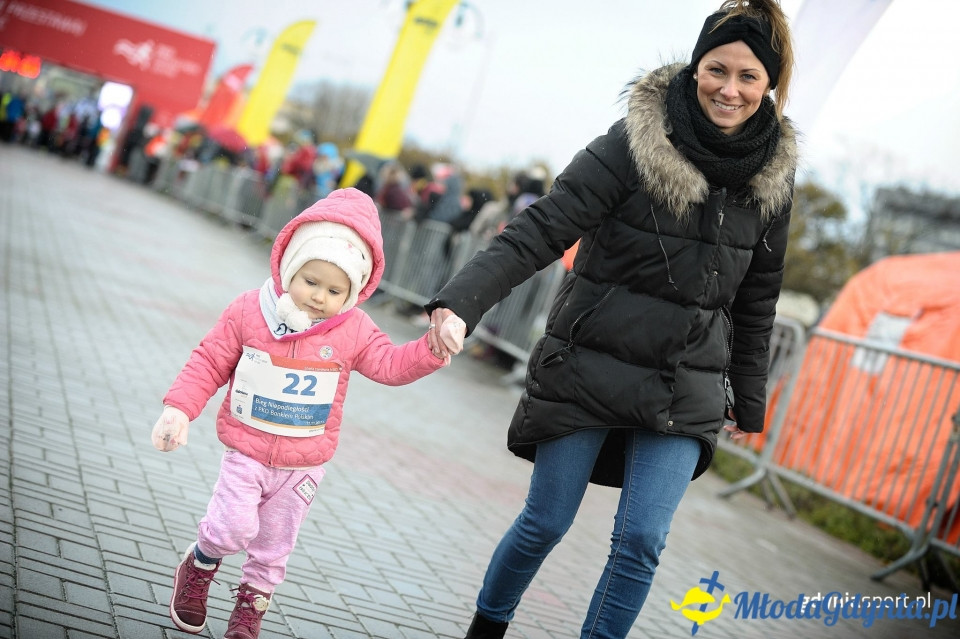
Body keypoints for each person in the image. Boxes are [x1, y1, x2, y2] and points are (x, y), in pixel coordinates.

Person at [425, 1, 798, 637]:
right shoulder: (630, 145)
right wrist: (460, 301)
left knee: (643, 540)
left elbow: (758, 297)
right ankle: (488, 624)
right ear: (695, 67)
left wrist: (748, 394)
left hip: (688, 381)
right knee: (546, 522)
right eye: (717, 69)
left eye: (748, 77)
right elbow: (541, 228)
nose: (729, 89)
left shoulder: (772, 179)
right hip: (590, 361)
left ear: (769, 88)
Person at [151, 188, 465, 638]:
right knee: (230, 530)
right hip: (248, 449)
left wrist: (432, 349)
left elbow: (390, 365)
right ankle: (200, 564)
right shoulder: (249, 310)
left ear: (352, 293)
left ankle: (249, 610)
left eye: (335, 290)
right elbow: (209, 360)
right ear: (288, 269)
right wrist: (179, 410)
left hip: (305, 463)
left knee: (275, 545)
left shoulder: (354, 328)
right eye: (310, 281)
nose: (319, 297)